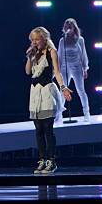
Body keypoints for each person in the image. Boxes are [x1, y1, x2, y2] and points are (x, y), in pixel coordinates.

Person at [25, 27, 72, 174]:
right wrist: (29, 56)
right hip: (35, 93)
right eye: (32, 40)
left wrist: (63, 88)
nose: (34, 42)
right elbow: (28, 72)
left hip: (47, 92)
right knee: (38, 129)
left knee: (47, 129)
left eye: (37, 39)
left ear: (44, 38)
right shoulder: (34, 53)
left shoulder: (52, 51)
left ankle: (51, 160)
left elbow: (57, 72)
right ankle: (42, 159)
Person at [57, 18, 91, 121]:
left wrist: (85, 68)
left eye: (70, 26)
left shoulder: (79, 39)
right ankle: (59, 115)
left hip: (77, 67)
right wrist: (57, 70)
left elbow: (83, 54)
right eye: (66, 26)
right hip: (65, 68)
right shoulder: (62, 40)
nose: (68, 27)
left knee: (81, 90)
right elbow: (59, 55)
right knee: (63, 90)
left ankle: (86, 113)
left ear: (74, 27)